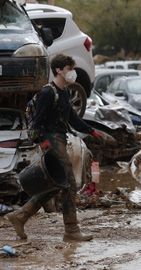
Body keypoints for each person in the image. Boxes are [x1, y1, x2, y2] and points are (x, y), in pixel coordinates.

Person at [6, 54, 102, 242]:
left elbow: (72, 119)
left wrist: (91, 131)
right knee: (69, 183)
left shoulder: (65, 91)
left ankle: (20, 216)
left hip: (60, 138)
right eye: (69, 69)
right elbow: (37, 122)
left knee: (58, 184)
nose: (72, 73)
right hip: (51, 141)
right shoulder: (48, 93)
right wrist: (43, 142)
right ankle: (71, 230)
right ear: (59, 70)